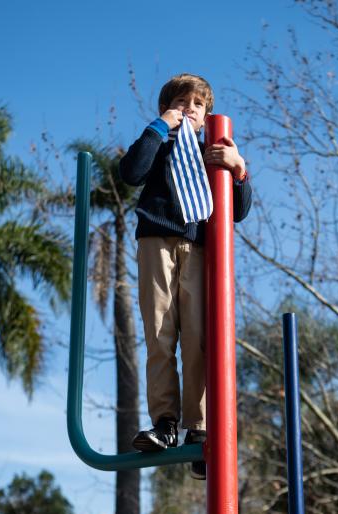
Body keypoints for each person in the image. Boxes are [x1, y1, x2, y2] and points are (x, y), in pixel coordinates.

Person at [119, 73, 252, 480]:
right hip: (156, 239)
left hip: (199, 247)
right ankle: (165, 424)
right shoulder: (159, 145)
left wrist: (239, 169)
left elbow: (238, 210)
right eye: (180, 101)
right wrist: (161, 128)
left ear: (207, 112)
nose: (189, 107)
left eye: (197, 103)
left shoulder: (213, 152)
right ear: (167, 108)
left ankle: (200, 429)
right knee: (160, 333)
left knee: (199, 338)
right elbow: (131, 172)